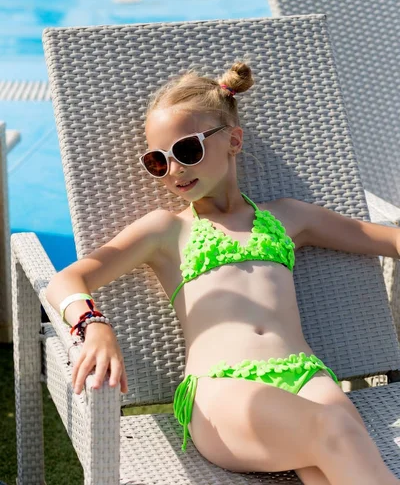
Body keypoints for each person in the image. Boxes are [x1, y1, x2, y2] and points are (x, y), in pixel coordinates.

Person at [46, 62, 400, 485]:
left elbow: (383, 238)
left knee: (329, 461)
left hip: (307, 377)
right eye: (158, 161)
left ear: (233, 141)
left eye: (188, 151)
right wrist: (93, 324)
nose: (174, 170)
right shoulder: (167, 229)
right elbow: (64, 280)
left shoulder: (287, 216)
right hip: (222, 391)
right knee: (338, 431)